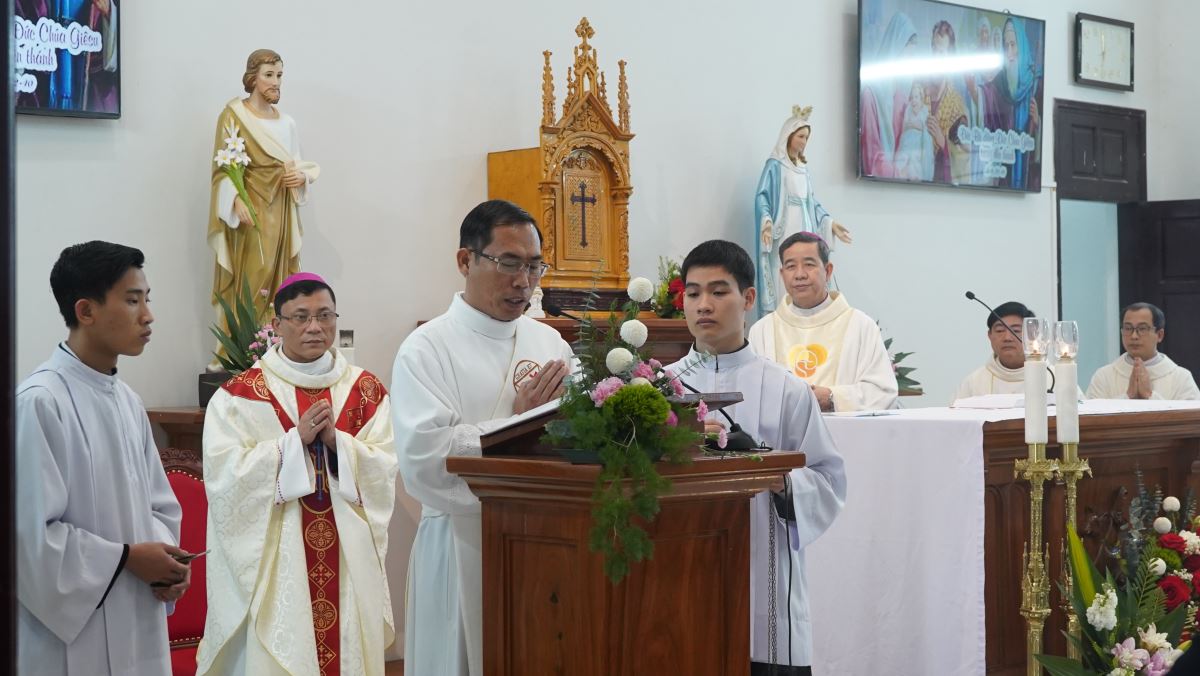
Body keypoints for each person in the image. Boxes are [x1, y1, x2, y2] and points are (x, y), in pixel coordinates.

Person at [392, 200, 574, 676]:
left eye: (534, 266)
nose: (524, 281)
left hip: (544, 540)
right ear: (465, 260)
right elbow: (424, 458)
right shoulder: (426, 348)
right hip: (460, 544)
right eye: (509, 263)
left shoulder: (550, 344)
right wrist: (519, 425)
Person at [198, 273, 398, 676]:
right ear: (277, 324)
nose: (315, 327)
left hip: (346, 559)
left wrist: (338, 444)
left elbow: (386, 465)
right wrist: (294, 443)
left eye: (325, 316)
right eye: (301, 317)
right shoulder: (240, 395)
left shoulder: (365, 391)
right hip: (280, 564)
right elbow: (224, 478)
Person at [668, 239, 846, 674]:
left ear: (748, 298)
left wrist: (776, 475)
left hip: (761, 579)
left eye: (718, 291)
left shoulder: (786, 389)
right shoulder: (657, 387)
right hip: (676, 573)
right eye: (693, 293)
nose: (703, 305)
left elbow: (828, 481)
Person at [17, 241, 187, 675]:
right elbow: (29, 540)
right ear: (86, 310)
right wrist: (127, 559)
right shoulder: (40, 402)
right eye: (132, 300)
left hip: (137, 614)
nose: (148, 315)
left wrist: (167, 564)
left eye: (147, 299)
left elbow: (159, 507)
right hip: (72, 637)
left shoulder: (127, 401)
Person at [207, 49, 320, 357]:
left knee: (279, 280)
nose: (275, 82)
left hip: (280, 209)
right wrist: (234, 201)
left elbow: (295, 164)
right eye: (269, 75)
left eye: (279, 75)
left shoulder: (288, 123)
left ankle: (273, 347)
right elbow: (223, 168)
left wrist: (301, 178)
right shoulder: (234, 115)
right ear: (253, 78)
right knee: (252, 275)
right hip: (251, 209)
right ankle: (241, 350)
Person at [749, 233, 897, 412]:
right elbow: (750, 394)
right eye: (791, 266)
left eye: (809, 264)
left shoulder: (860, 326)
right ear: (782, 274)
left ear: (828, 271)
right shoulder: (763, 330)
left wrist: (833, 398)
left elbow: (882, 392)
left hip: (844, 430)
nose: (800, 274)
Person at [754, 106, 852, 316]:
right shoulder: (775, 165)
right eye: (800, 136)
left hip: (806, 223)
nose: (804, 142)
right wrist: (766, 220)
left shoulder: (803, 168)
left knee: (809, 262)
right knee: (788, 263)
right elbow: (762, 196)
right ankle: (784, 314)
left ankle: (810, 313)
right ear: (788, 136)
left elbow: (811, 201)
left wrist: (829, 222)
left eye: (806, 138)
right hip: (785, 225)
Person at [1086, 302, 1200, 400]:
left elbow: (1191, 418)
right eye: (1128, 328)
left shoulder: (1181, 378)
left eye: (1142, 329)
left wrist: (1149, 395)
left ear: (1159, 335)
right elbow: (1090, 416)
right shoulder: (1104, 376)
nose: (1134, 336)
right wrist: (1128, 396)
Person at [954, 301, 1034, 398]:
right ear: (989, 335)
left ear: (1032, 334)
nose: (1007, 338)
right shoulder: (973, 383)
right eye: (999, 330)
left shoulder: (1049, 378)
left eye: (1016, 330)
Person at [894, 82, 934, 181]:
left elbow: (925, 128)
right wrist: (912, 125)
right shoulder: (908, 109)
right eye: (912, 97)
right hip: (907, 140)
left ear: (921, 98)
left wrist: (915, 125)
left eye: (916, 97)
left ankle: (915, 177)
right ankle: (900, 174)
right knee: (903, 156)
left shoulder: (924, 110)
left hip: (919, 142)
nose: (914, 100)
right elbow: (905, 126)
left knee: (914, 159)